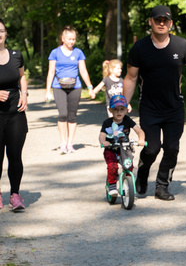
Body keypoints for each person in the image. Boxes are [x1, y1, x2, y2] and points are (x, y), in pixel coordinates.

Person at [123, 5, 186, 201]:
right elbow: (130, 77)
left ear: (170, 23)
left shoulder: (181, 45)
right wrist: (124, 103)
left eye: (165, 20)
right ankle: (142, 174)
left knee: (172, 148)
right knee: (152, 148)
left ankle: (162, 186)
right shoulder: (139, 48)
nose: (161, 23)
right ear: (150, 22)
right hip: (149, 108)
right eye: (157, 19)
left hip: (174, 108)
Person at [45, 26, 95, 154]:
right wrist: (47, 90)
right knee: (62, 114)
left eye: (73, 39)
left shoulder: (78, 53)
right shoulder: (55, 53)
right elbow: (51, 72)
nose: (71, 41)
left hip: (75, 87)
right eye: (69, 39)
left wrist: (90, 87)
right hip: (58, 86)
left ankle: (70, 143)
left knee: (72, 116)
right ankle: (62, 142)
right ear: (63, 39)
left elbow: (83, 71)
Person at [0, 18, 28, 212]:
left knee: (15, 156)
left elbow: (22, 76)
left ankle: (15, 196)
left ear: (6, 33)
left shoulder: (16, 55)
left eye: (1, 30)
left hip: (16, 112)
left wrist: (24, 93)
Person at [99, 95, 145, 197]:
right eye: (116, 109)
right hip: (111, 149)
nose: (119, 112)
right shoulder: (107, 123)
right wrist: (103, 142)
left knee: (129, 165)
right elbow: (102, 135)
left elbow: (138, 130)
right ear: (110, 110)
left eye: (122, 109)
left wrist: (141, 139)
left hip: (124, 149)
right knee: (112, 166)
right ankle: (111, 185)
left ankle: (127, 182)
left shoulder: (127, 120)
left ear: (126, 110)